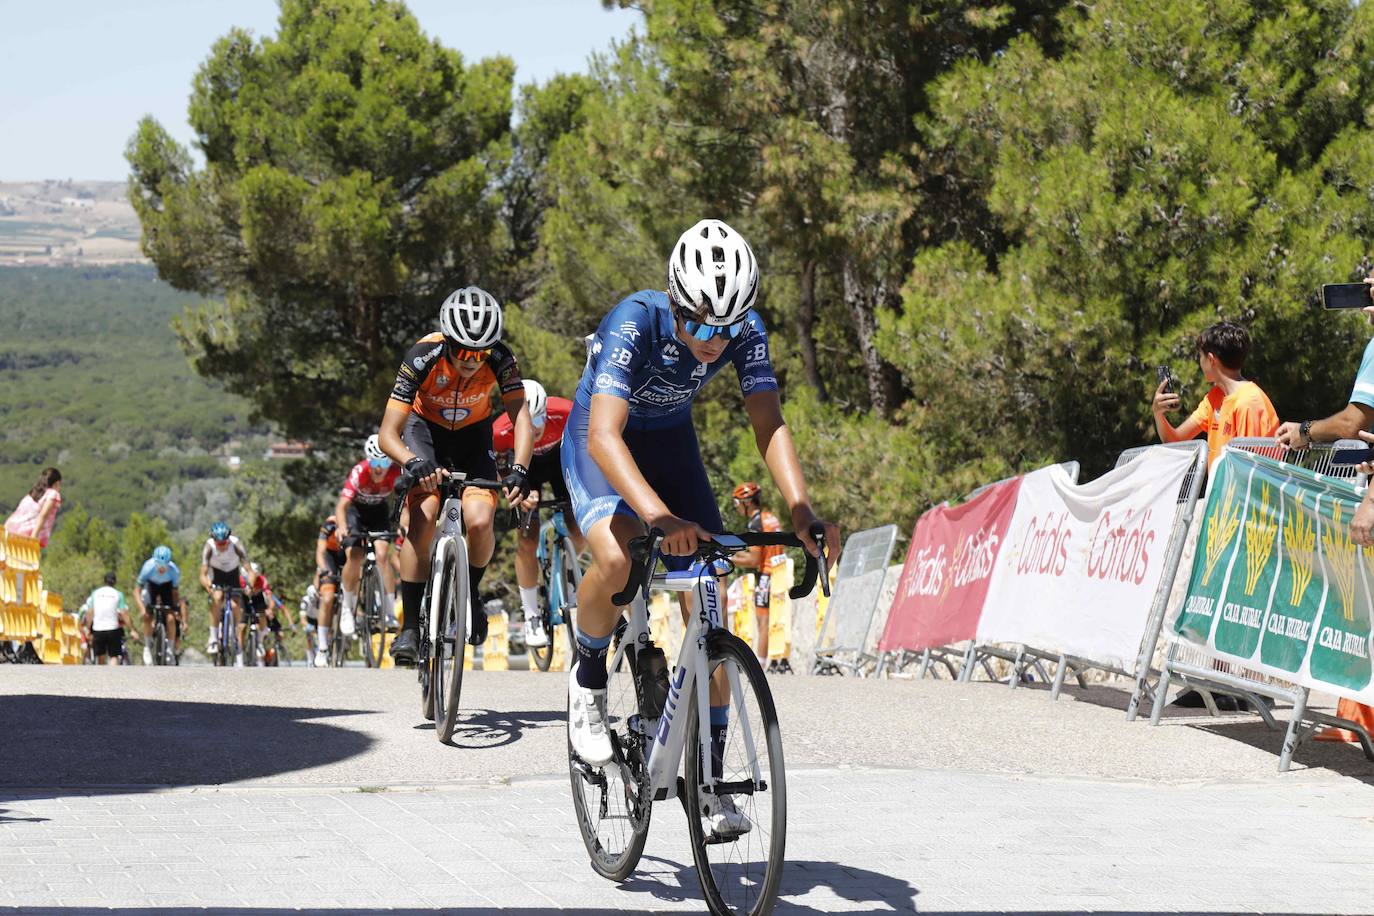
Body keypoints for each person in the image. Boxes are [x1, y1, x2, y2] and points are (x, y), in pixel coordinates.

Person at [561, 218, 838, 836]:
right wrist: (657, 518)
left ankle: (707, 785)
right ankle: (585, 679)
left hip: (668, 442)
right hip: (597, 439)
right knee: (619, 559)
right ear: (676, 302)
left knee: (709, 595)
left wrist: (800, 509)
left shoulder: (742, 326)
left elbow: (768, 421)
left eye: (728, 326)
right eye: (702, 325)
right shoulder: (635, 320)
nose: (714, 340)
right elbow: (606, 435)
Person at [378, 285, 535, 665]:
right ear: (447, 341)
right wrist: (413, 462)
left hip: (472, 435)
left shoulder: (501, 358)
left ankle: (471, 595)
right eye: (463, 351)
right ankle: (411, 629)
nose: (471, 361)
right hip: (423, 432)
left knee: (480, 521)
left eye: (479, 354)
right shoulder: (423, 355)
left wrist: (519, 469)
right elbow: (387, 434)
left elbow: (521, 420)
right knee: (424, 516)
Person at [492, 379, 583, 649]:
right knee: (527, 539)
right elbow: (502, 475)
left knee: (578, 527)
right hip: (524, 468)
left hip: (558, 461)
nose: (534, 431)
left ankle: (568, 569)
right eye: (527, 426)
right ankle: (531, 614)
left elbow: (585, 446)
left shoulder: (565, 411)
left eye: (538, 423)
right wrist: (519, 492)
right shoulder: (500, 432)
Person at [1152, 322, 1278, 472]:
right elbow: (1175, 440)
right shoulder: (1214, 398)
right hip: (1223, 493)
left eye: (1200, 356)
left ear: (1211, 360)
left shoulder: (1249, 402)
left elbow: (1248, 471)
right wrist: (1158, 414)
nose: (1200, 362)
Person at [333, 434, 401, 642]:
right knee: (354, 555)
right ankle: (348, 607)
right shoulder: (359, 472)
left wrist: (404, 523)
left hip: (378, 512)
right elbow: (342, 505)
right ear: (368, 460)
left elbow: (406, 499)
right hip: (356, 513)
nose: (379, 468)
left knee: (382, 555)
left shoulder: (396, 472)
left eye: (384, 462)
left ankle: (389, 611)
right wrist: (342, 526)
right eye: (375, 463)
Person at [728, 481, 785, 671]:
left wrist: (729, 558)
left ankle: (758, 666)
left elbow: (753, 560)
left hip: (767, 574)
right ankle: (766, 662)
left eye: (737, 504)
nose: (736, 508)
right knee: (772, 620)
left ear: (747, 503)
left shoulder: (755, 523)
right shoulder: (770, 518)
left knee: (763, 622)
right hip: (779, 570)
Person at [200, 521, 251, 667]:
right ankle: (214, 638)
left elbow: (249, 569)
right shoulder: (209, 547)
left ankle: (237, 640)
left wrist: (251, 584)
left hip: (233, 574)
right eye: (219, 544)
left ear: (229, 539)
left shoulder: (237, 545)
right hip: (216, 574)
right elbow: (202, 573)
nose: (221, 546)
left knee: (236, 605)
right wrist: (207, 585)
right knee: (216, 598)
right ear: (214, 541)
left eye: (224, 543)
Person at [135, 545, 184, 664]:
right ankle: (147, 647)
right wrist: (142, 609)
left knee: (171, 618)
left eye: (165, 565)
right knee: (147, 616)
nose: (162, 568)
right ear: (154, 562)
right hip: (151, 586)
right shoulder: (148, 567)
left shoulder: (174, 571)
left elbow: (175, 592)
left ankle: (169, 650)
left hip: (167, 588)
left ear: (169, 563)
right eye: (159, 565)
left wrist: (176, 609)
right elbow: (137, 591)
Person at [81, 572, 136, 666]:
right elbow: (123, 613)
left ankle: (102, 678)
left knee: (100, 656)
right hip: (113, 629)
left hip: (98, 628)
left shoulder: (95, 593)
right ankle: (112, 677)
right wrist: (132, 630)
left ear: (104, 581)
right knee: (113, 656)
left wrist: (88, 628)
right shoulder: (118, 594)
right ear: (115, 582)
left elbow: (90, 612)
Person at [313, 515, 347, 667]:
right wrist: (324, 570)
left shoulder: (358, 521)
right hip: (330, 557)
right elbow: (320, 552)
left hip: (349, 556)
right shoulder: (329, 524)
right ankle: (322, 648)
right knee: (327, 598)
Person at [4, 467, 63, 548]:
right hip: (23, 537)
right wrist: (33, 537)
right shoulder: (53, 493)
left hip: (8, 532)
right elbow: (43, 515)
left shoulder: (31, 495)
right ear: (57, 483)